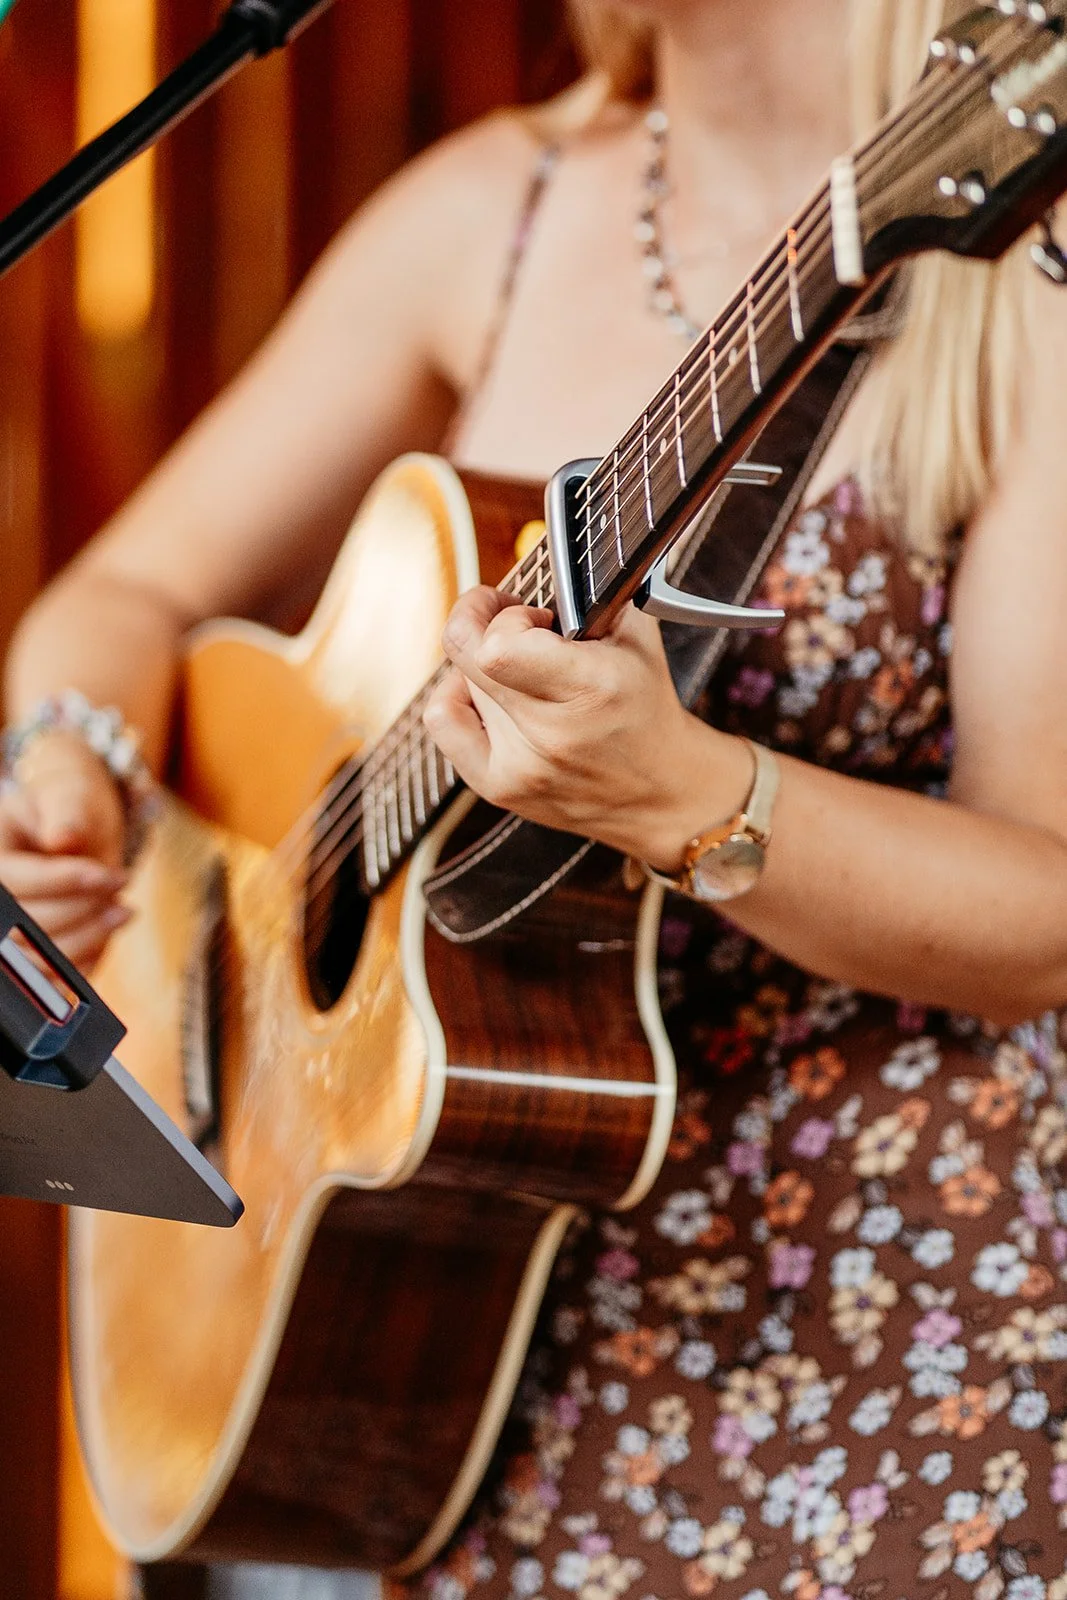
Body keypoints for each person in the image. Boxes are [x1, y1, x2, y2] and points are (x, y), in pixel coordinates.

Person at [5, 1, 1067, 1597]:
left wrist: (683, 797)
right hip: (460, 1367)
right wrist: (68, 761)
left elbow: (1046, 914)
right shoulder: (490, 208)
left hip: (902, 1355)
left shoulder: (1024, 271)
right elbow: (125, 593)